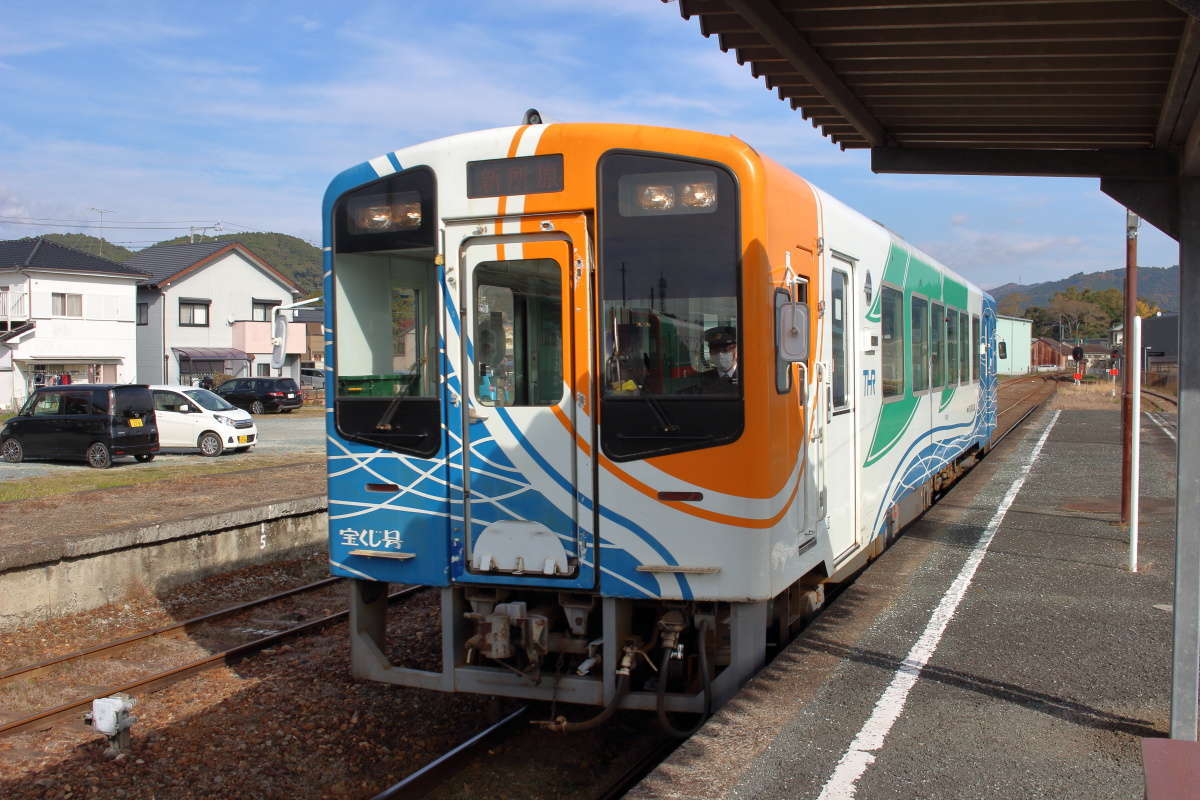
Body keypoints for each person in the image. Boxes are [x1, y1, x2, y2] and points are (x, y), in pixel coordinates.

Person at [698, 325, 738, 392]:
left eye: (725, 350)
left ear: (736, 350)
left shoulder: (747, 376)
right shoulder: (702, 379)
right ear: (710, 353)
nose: (720, 354)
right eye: (716, 350)